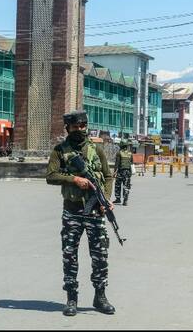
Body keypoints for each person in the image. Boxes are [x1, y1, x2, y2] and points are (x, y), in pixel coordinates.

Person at [46, 110, 116, 317]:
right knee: (70, 255)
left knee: (100, 255)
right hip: (72, 211)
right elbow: (51, 175)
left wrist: (105, 199)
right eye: (75, 127)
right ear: (68, 128)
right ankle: (71, 298)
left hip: (95, 212)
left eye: (82, 126)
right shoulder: (60, 150)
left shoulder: (97, 149)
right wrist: (74, 180)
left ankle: (100, 296)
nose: (79, 129)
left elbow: (108, 176)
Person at [113, 139, 133, 206]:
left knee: (118, 185)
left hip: (120, 172)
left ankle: (118, 199)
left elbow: (117, 164)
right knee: (126, 186)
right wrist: (130, 173)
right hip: (128, 172)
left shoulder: (119, 153)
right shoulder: (130, 153)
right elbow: (131, 163)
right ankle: (125, 200)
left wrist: (114, 172)